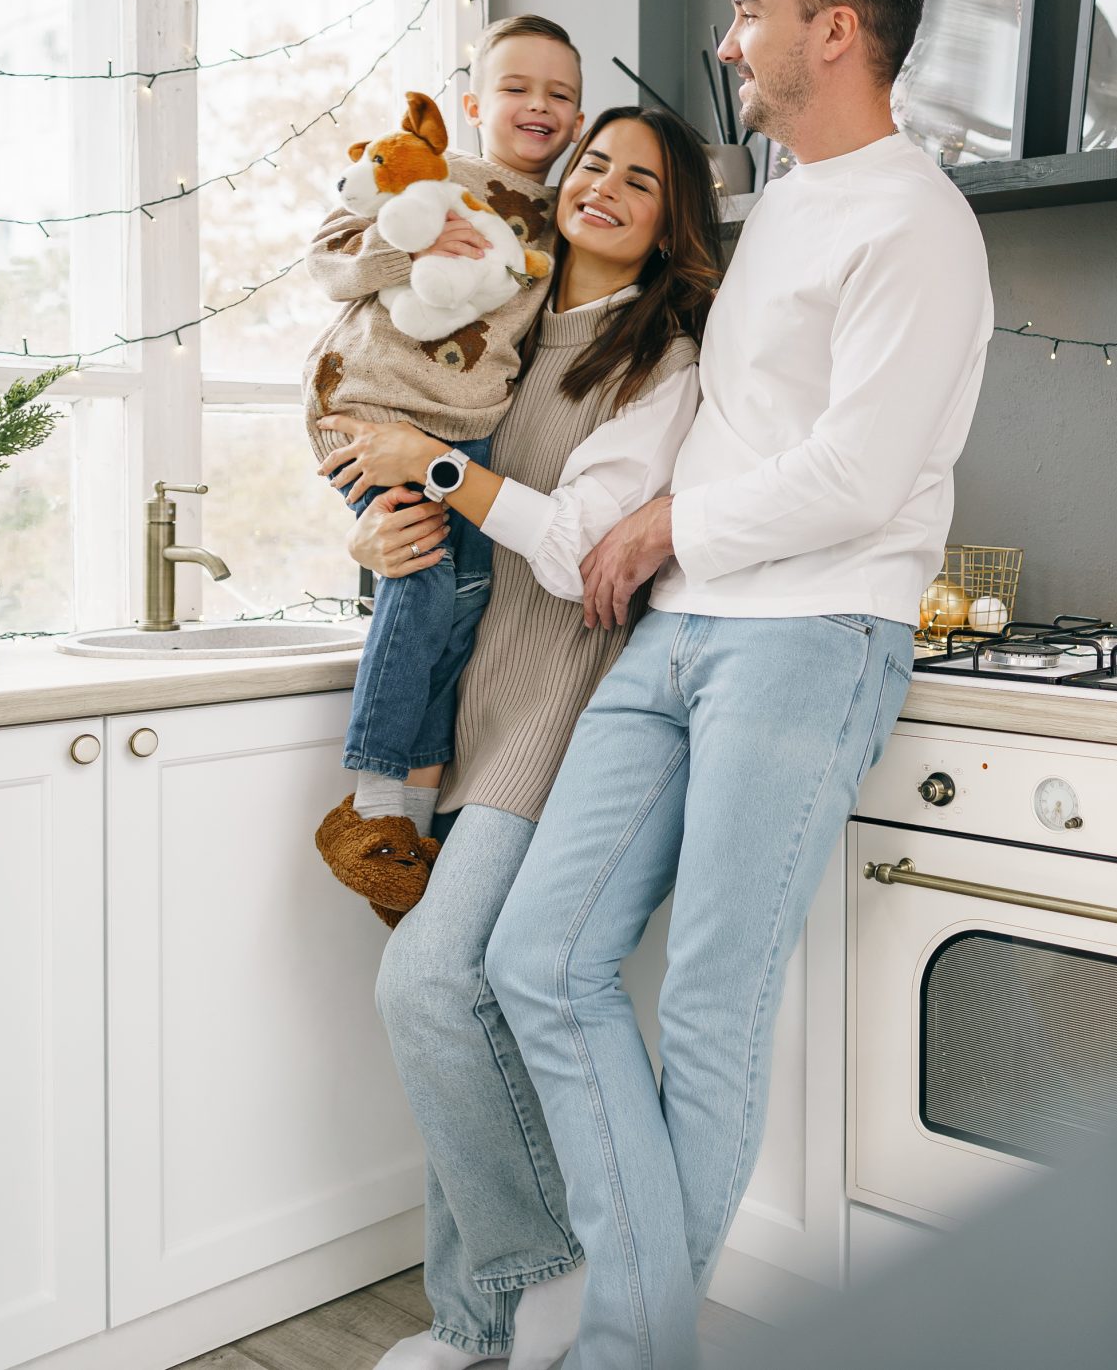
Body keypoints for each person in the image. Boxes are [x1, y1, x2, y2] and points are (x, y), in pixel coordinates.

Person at [485, 0, 993, 1367]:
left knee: (708, 1009)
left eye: (752, 9)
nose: (728, 37)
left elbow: (864, 470)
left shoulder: (917, 220)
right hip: (680, 631)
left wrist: (662, 530)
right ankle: (642, 1330)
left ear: (835, 30)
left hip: (811, 634)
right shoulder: (771, 213)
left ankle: (623, 1350)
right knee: (539, 957)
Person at [316, 105, 722, 1369]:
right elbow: (393, 485)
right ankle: (468, 1326)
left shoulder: (664, 361)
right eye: (593, 162)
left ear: (672, 222)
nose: (603, 184)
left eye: (640, 180)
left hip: (557, 706)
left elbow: (577, 549)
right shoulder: (490, 319)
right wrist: (370, 531)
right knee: (455, 1017)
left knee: (428, 982)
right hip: (458, 707)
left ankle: (553, 1270)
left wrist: (432, 469)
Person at [302, 14, 588, 920]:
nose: (538, 105)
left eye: (560, 94)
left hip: (458, 434)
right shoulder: (435, 175)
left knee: (457, 617)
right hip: (375, 407)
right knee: (424, 589)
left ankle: (409, 835)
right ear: (471, 103)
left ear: (577, 119)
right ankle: (374, 808)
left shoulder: (567, 219)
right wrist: (414, 247)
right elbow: (328, 254)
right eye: (516, 87)